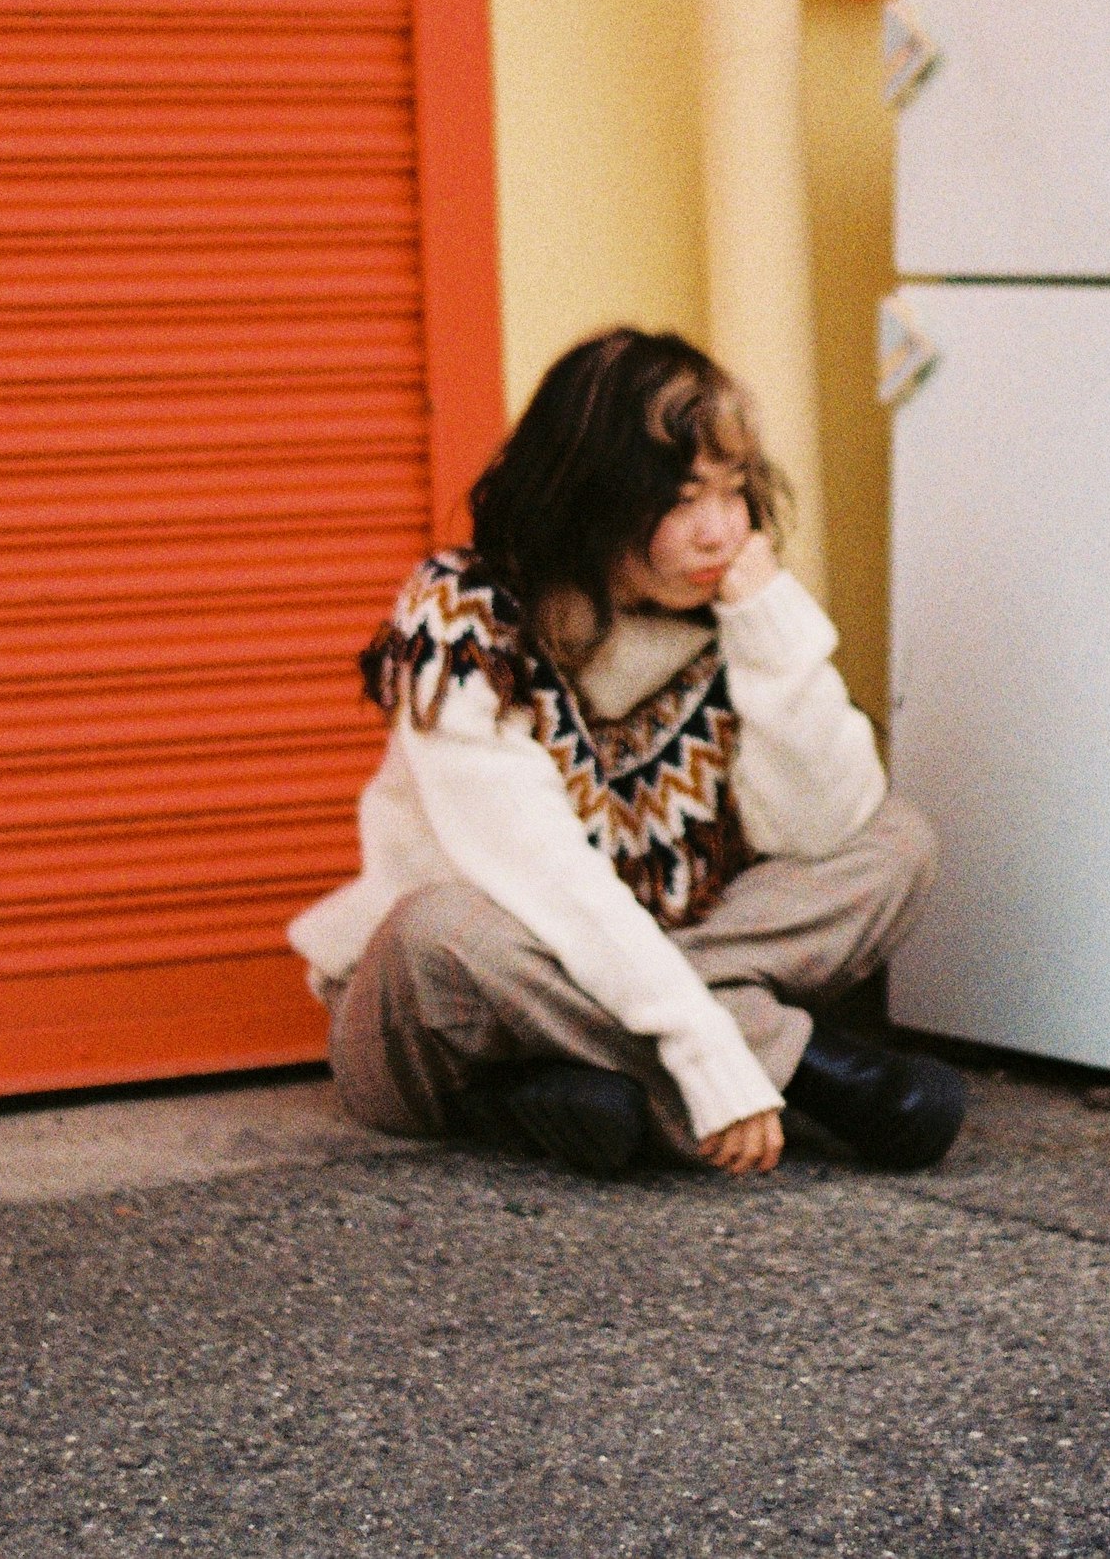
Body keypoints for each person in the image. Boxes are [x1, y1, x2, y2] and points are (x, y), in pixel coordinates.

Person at [292, 327, 966, 1179]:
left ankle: (565, 1091)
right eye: (682, 500)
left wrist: (769, 628)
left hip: (638, 958)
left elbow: (814, 825)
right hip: (441, 1018)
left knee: (896, 841)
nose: (720, 532)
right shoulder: (465, 617)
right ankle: (802, 1069)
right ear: (591, 496)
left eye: (735, 492)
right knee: (446, 926)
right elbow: (542, 874)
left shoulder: (720, 612)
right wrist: (712, 1052)